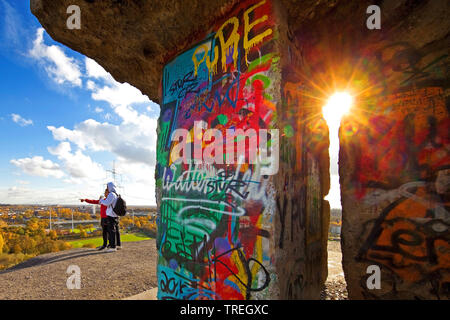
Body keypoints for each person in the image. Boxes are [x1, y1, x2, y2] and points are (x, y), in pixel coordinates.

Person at [100, 182, 120, 252]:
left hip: (111, 215)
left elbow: (106, 203)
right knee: (114, 230)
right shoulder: (116, 194)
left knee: (111, 231)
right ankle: (117, 245)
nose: (107, 188)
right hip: (115, 214)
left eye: (108, 187)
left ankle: (112, 247)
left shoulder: (111, 194)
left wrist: (101, 200)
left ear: (110, 187)